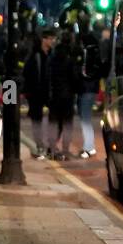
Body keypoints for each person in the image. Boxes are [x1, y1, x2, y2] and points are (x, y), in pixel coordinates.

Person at [47, 29, 81, 159]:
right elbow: (74, 78)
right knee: (67, 124)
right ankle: (65, 150)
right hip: (67, 96)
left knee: (54, 123)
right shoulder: (70, 59)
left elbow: (48, 76)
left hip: (55, 95)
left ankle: (51, 148)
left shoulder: (53, 58)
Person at [22, 29, 55, 158]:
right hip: (36, 92)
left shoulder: (53, 54)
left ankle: (50, 144)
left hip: (49, 92)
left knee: (53, 119)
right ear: (44, 39)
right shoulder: (34, 55)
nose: (53, 41)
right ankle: (39, 145)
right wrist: (28, 91)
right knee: (37, 120)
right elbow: (27, 73)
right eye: (51, 38)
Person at [77, 24, 103, 158]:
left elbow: (85, 72)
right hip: (89, 88)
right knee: (84, 117)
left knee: (85, 118)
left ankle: (89, 147)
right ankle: (88, 146)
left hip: (86, 88)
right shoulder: (96, 53)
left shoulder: (88, 53)